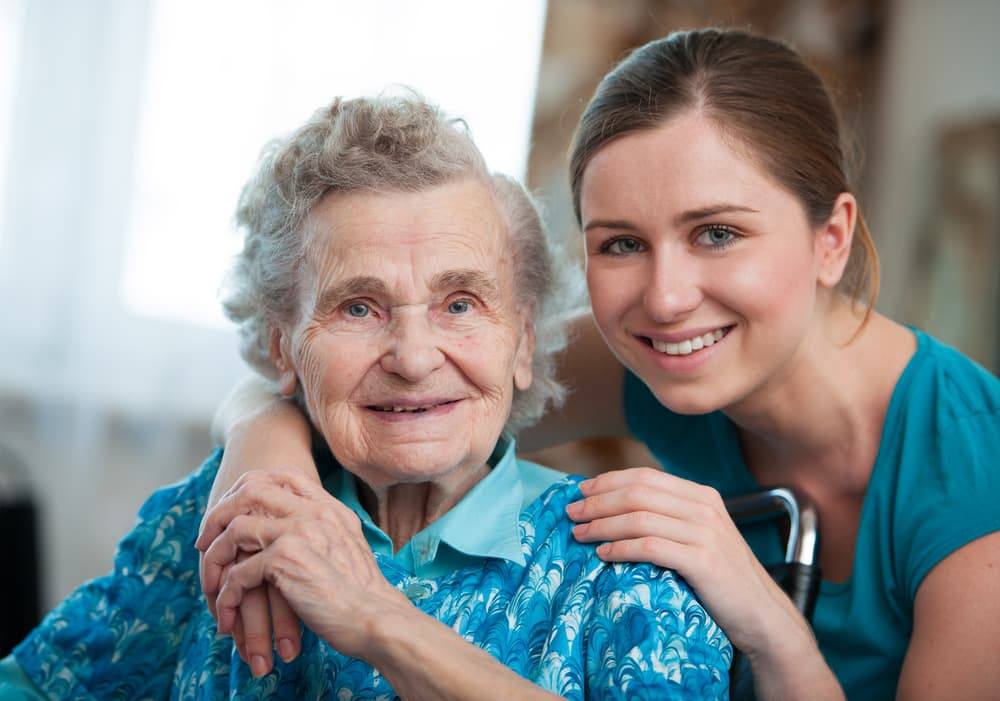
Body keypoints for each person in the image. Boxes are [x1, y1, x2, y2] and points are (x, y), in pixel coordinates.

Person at [199, 29, 1000, 701]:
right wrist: (264, 467)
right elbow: (380, 380)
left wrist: (762, 613)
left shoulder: (973, 477)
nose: (667, 295)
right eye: (621, 242)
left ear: (831, 239)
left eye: (717, 232)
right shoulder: (646, 353)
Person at [0, 94, 731, 700]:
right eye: (358, 307)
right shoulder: (222, 516)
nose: (414, 359)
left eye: (461, 303)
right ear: (283, 347)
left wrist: (375, 615)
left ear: (522, 342)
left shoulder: (624, 566)